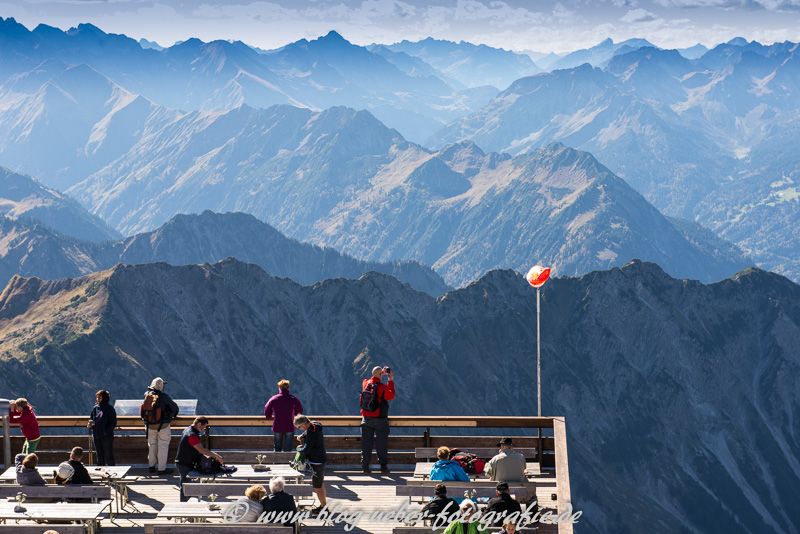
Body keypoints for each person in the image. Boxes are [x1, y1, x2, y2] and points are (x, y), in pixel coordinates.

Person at [174, 416, 224, 502]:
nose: (204, 429)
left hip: (183, 461)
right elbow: (201, 450)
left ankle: (185, 504)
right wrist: (215, 456)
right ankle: (183, 506)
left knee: (186, 484)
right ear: (199, 424)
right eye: (204, 427)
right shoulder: (192, 435)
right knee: (185, 486)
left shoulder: (188, 430)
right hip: (184, 463)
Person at [360, 365, 395, 474]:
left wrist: (379, 374)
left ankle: (365, 466)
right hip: (380, 419)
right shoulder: (383, 387)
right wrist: (390, 380)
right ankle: (383, 467)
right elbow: (391, 395)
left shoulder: (366, 384)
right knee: (381, 444)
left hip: (366, 419)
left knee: (366, 444)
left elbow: (366, 380)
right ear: (381, 375)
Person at [144, 377, 179, 475]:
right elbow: (175, 408)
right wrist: (172, 415)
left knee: (152, 445)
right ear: (162, 386)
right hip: (163, 425)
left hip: (150, 425)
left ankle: (151, 466)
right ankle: (161, 469)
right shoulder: (164, 397)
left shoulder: (147, 395)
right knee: (163, 446)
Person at [294, 414, 327, 514]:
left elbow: (306, 449)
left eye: (299, 427)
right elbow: (309, 430)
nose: (299, 429)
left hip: (316, 461)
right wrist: (303, 435)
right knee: (320, 483)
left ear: (303, 425)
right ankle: (323, 506)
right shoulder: (314, 425)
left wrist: (298, 449)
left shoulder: (312, 433)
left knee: (317, 486)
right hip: (321, 458)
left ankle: (323, 508)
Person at [264, 379, 303, 452]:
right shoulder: (293, 398)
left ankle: (276, 463)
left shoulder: (274, 398)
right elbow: (299, 411)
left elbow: (267, 409)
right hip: (290, 426)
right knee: (288, 449)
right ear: (288, 388)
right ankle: (287, 463)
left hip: (277, 426)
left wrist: (269, 416)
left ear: (279, 388)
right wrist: (295, 416)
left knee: (277, 448)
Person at [88, 390, 117, 466]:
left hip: (106, 437)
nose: (97, 399)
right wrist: (90, 424)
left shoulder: (109, 409)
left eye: (99, 397)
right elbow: (91, 418)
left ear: (104, 398)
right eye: (97, 397)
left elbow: (113, 423)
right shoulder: (95, 408)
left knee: (109, 456)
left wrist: (105, 432)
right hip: (96, 435)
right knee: (99, 457)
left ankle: (112, 473)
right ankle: (101, 474)